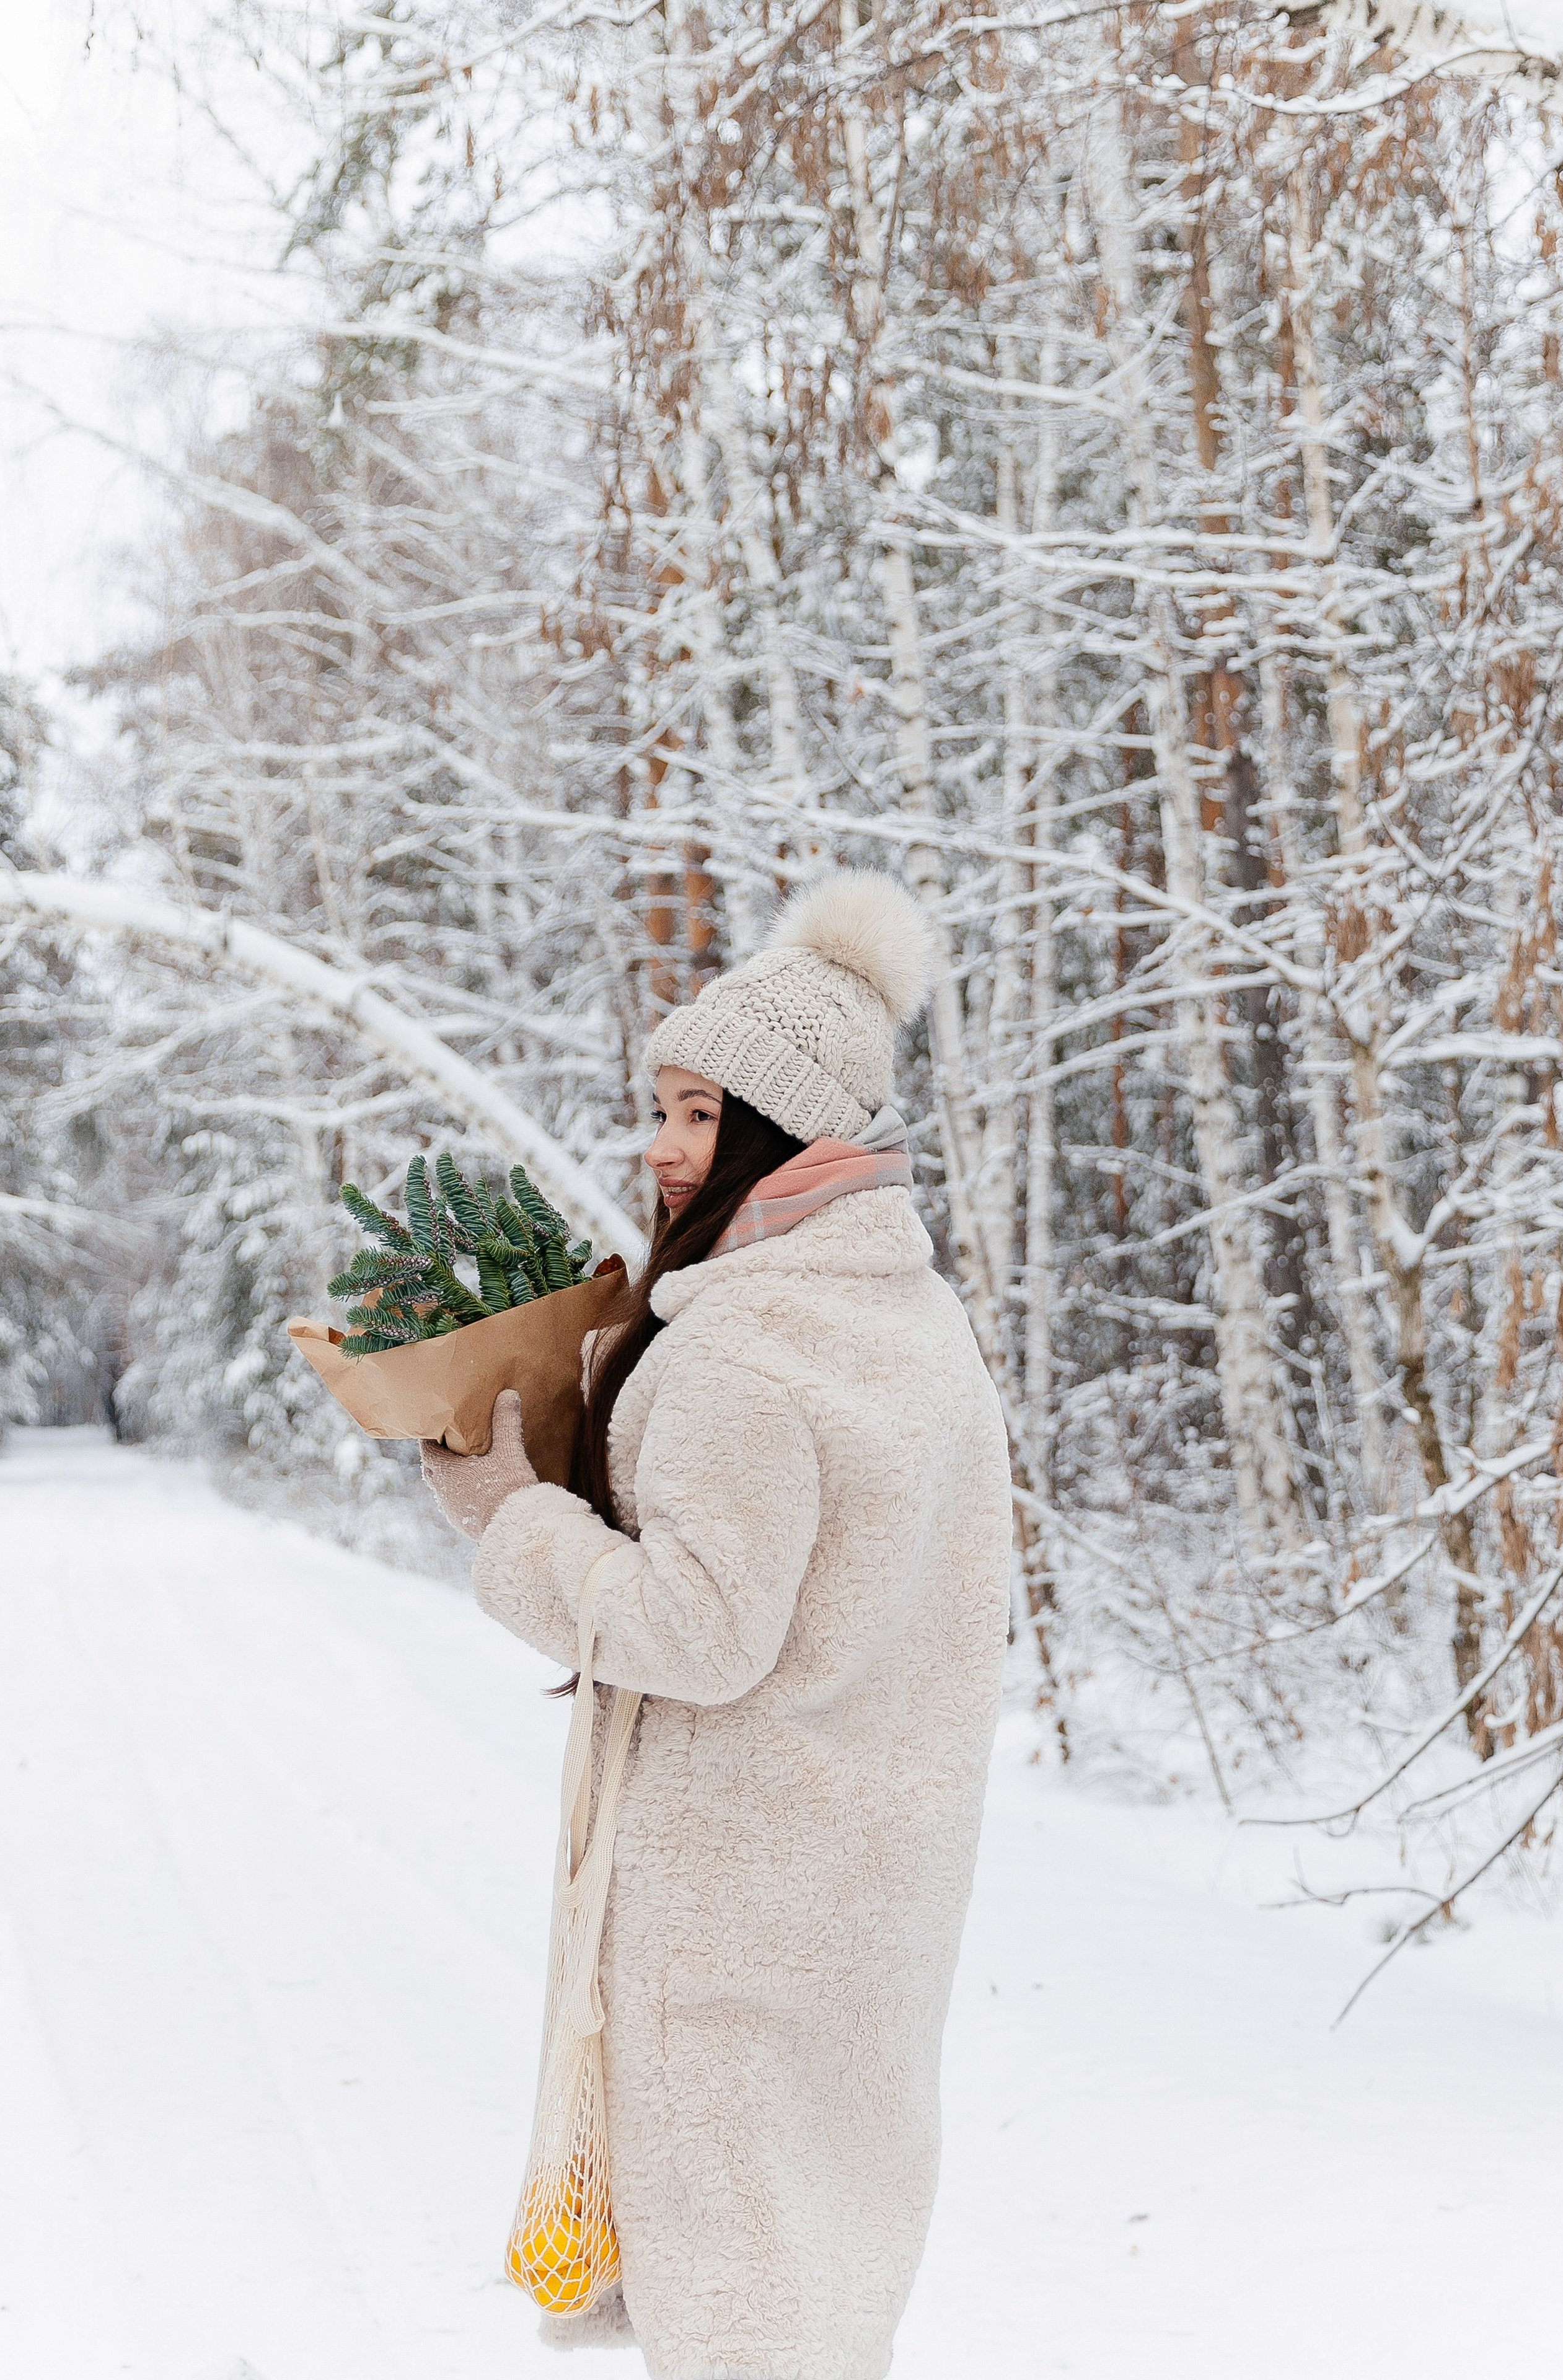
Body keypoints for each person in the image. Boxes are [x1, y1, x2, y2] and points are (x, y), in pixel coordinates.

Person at [422, 869, 1012, 2380]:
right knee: (821, 2281)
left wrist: (511, 1513)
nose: (662, 1144)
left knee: (737, 2310)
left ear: (788, 1129)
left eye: (698, 1114)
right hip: (868, 1899)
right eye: (663, 1108)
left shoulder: (750, 1348)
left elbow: (698, 1627)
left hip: (736, 1910)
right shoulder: (905, 1320)